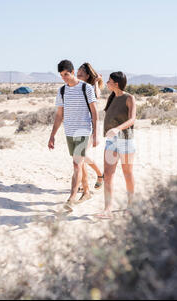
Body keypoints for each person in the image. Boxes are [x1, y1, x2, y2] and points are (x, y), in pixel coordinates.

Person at [48, 60, 98, 211]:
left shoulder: (86, 88)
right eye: (62, 75)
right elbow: (59, 115)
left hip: (84, 130)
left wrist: (96, 133)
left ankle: (71, 198)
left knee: (76, 164)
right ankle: (87, 191)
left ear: (73, 71)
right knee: (79, 163)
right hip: (69, 132)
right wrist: (52, 136)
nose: (64, 78)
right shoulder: (62, 91)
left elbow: (94, 113)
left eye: (66, 74)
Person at [95, 71, 136, 219]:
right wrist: (97, 81)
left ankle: (131, 206)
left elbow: (132, 119)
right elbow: (96, 94)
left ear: (116, 83)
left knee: (127, 173)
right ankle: (107, 209)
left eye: (109, 81)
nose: (107, 83)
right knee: (108, 176)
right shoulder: (112, 97)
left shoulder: (129, 98)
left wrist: (117, 129)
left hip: (126, 140)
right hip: (111, 142)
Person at [76, 63, 105, 191]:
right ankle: (84, 183)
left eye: (81, 72)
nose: (78, 74)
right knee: (79, 156)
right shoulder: (77, 87)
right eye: (77, 72)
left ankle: (100, 174)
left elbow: (96, 99)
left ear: (88, 76)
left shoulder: (91, 88)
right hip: (77, 126)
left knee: (80, 155)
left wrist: (96, 133)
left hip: (89, 126)